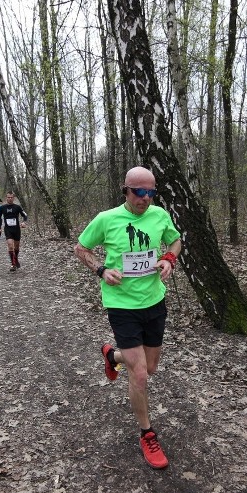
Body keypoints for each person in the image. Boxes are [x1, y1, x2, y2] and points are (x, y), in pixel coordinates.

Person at [73, 166, 182, 469]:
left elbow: (175, 241)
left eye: (150, 192)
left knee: (151, 366)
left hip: (154, 300)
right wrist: (100, 270)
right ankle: (147, 434)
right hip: (121, 304)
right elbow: (80, 248)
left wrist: (168, 258)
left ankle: (113, 356)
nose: (144, 198)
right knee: (140, 374)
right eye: (139, 192)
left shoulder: (160, 215)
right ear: (126, 191)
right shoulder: (107, 219)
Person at [0, 191, 28, 271]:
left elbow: (25, 215)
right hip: (8, 229)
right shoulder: (2, 207)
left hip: (16, 229)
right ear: (6, 198)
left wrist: (24, 222)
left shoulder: (17, 207)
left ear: (14, 198)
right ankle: (13, 264)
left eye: (11, 197)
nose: (10, 199)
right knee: (10, 245)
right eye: (8, 197)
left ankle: (16, 259)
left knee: (16, 247)